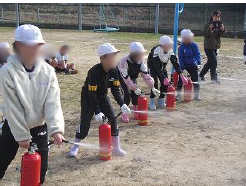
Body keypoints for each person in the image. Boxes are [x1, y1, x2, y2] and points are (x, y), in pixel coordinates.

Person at [0, 24, 65, 184]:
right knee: (2, 161)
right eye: (32, 45)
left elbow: (53, 102)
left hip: (39, 126)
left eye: (39, 45)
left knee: (40, 170)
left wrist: (56, 129)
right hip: (14, 127)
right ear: (19, 46)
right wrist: (21, 135)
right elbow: (12, 106)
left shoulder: (48, 71)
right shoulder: (8, 71)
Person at [69, 43, 131, 158]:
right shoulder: (94, 71)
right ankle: (75, 146)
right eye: (112, 55)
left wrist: (122, 104)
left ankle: (116, 148)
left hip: (102, 96)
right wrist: (97, 111)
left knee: (112, 119)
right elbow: (91, 93)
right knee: (85, 123)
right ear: (103, 58)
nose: (114, 58)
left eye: (115, 55)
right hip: (88, 97)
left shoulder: (114, 71)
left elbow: (115, 89)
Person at [118, 42, 159, 122]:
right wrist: (134, 87)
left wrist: (152, 86)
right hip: (122, 78)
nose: (140, 56)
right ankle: (124, 113)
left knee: (135, 94)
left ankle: (136, 111)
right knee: (127, 93)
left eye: (141, 54)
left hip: (132, 77)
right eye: (139, 54)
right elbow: (125, 77)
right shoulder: (124, 61)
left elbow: (146, 75)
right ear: (133, 54)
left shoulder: (141, 61)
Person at [147, 35, 188, 110]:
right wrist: (164, 78)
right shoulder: (156, 50)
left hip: (162, 66)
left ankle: (161, 99)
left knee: (165, 84)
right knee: (154, 83)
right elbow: (157, 67)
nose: (170, 46)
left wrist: (182, 76)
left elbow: (175, 63)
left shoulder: (170, 51)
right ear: (163, 45)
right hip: (153, 66)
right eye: (168, 45)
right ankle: (152, 101)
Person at [199, 11, 225, 83]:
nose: (217, 18)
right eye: (216, 16)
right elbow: (205, 34)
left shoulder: (219, 24)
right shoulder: (208, 24)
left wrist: (222, 30)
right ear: (213, 16)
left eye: (219, 17)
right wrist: (210, 29)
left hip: (216, 46)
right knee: (214, 61)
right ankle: (214, 78)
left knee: (210, 62)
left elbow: (220, 35)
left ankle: (201, 75)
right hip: (208, 46)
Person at [177, 29, 201, 101]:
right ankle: (178, 95)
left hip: (193, 66)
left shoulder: (194, 45)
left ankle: (197, 95)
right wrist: (183, 69)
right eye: (187, 38)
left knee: (196, 80)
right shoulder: (181, 48)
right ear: (184, 39)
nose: (189, 39)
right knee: (181, 81)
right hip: (184, 67)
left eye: (190, 38)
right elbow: (181, 59)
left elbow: (197, 54)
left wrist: (199, 63)